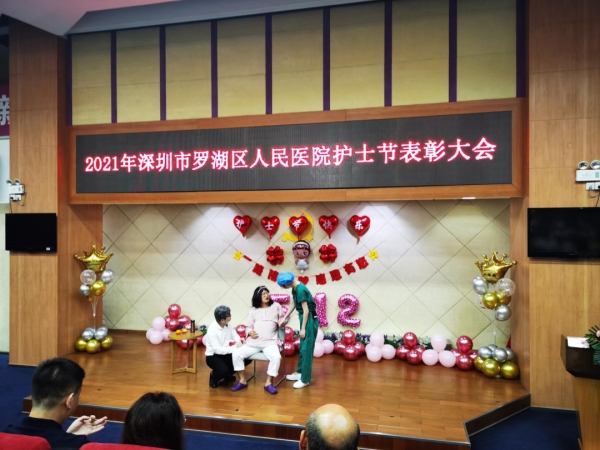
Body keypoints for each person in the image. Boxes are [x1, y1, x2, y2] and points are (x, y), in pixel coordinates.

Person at [2, 357, 107, 449]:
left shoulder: (6, 434)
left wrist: (69, 435)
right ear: (69, 401)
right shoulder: (78, 446)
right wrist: (71, 439)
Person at [231, 285, 285, 394]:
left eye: (267, 293)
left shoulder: (276, 306)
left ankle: (268, 383)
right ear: (257, 297)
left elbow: (284, 319)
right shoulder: (253, 310)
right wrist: (249, 332)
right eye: (263, 294)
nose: (266, 295)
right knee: (236, 353)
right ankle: (242, 380)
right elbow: (248, 326)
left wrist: (283, 321)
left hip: (270, 342)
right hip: (253, 342)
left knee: (276, 357)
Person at [277, 271, 318, 389]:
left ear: (286, 284)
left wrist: (303, 329)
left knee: (307, 349)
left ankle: (305, 380)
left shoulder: (300, 290)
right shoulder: (295, 288)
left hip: (309, 319)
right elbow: (294, 304)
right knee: (303, 347)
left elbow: (306, 311)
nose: (283, 288)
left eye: (283, 286)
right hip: (304, 318)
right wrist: (285, 317)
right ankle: (300, 372)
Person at [204, 305, 243, 388]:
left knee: (242, 359)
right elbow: (217, 350)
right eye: (229, 315)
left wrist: (239, 341)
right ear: (222, 319)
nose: (231, 316)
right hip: (213, 356)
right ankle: (213, 378)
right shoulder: (212, 330)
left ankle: (226, 375)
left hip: (225, 352)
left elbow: (234, 334)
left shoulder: (227, 324)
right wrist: (235, 347)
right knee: (223, 370)